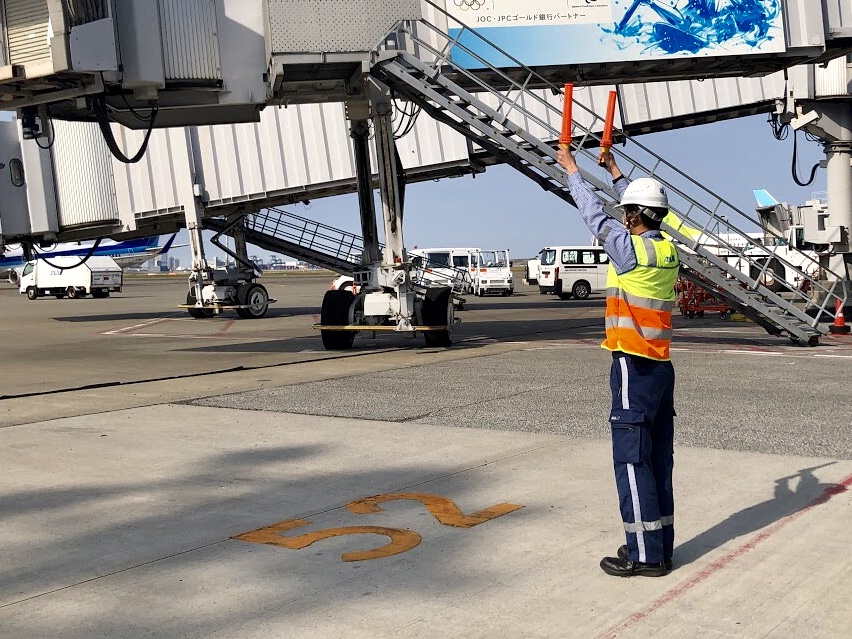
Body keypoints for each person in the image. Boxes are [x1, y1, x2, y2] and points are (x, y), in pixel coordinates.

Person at [556, 146, 680, 578]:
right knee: (658, 459)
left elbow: (596, 218)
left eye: (629, 212)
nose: (625, 217)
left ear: (634, 217)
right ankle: (661, 544)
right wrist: (616, 174)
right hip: (661, 367)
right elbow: (634, 213)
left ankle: (644, 554)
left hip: (633, 364)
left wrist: (573, 171)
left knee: (631, 459)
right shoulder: (666, 249)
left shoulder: (629, 252)